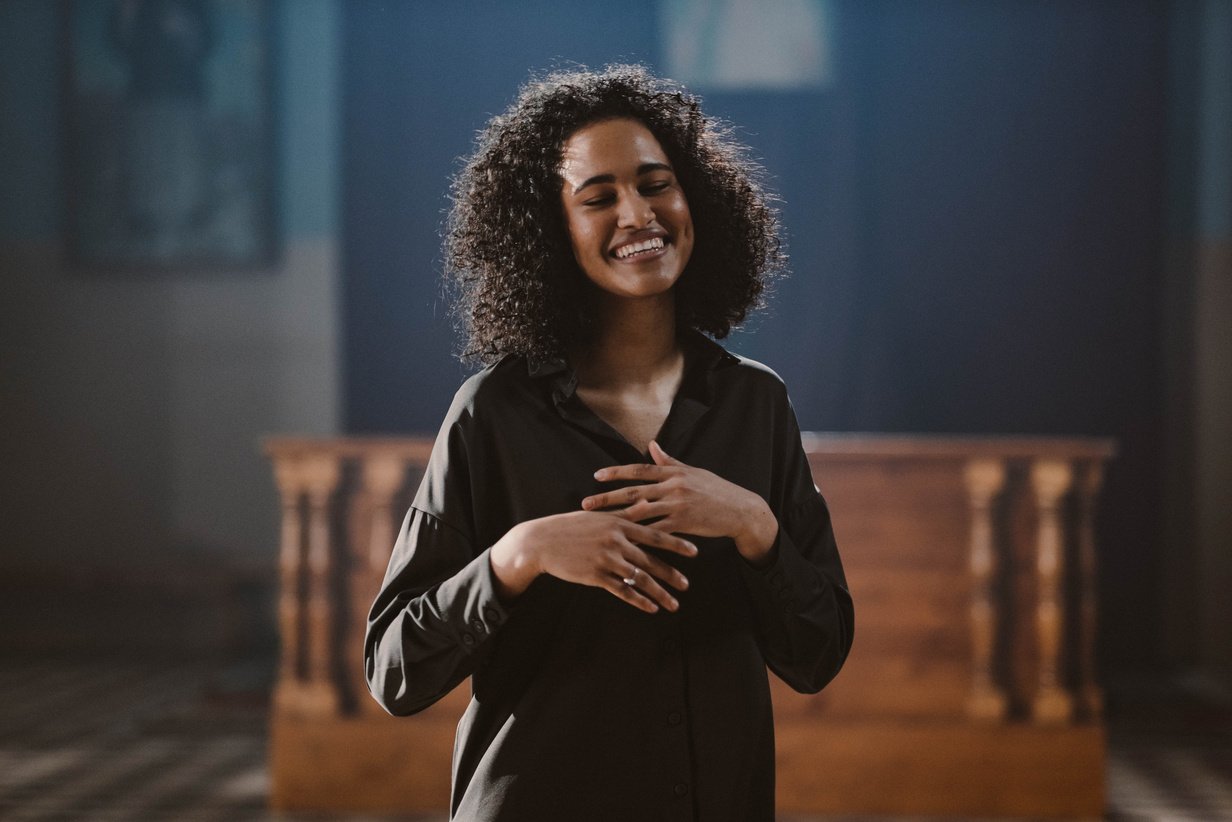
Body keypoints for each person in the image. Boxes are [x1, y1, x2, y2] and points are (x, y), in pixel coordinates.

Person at [364, 64, 854, 822]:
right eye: (598, 198)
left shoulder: (756, 404)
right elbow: (395, 671)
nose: (637, 214)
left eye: (656, 184)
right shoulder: (491, 414)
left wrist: (754, 526)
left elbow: (817, 656)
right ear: (547, 231)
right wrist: (515, 558)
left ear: (696, 196)